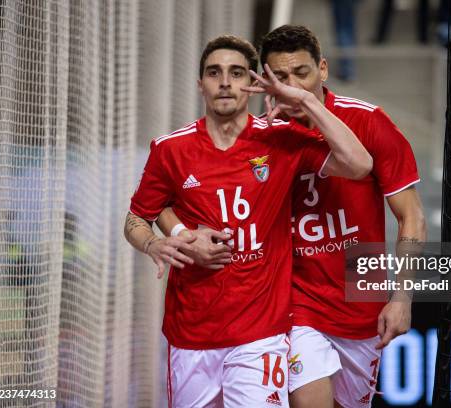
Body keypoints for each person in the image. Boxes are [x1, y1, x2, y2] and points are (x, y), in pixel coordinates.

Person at [158, 25, 426, 408]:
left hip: (359, 293)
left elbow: (412, 216)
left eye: (302, 74)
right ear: (263, 82)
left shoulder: (368, 122)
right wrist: (182, 231)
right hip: (294, 304)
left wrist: (402, 298)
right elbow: (162, 197)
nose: (292, 86)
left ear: (323, 69)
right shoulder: (259, 137)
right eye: (280, 78)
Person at [124, 35, 372, 407]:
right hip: (191, 333)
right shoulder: (170, 149)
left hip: (261, 335)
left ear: (253, 84)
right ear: (200, 84)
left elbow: (359, 164)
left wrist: (304, 98)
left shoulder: (282, 140)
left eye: (236, 73)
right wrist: (158, 243)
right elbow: (136, 218)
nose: (225, 82)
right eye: (214, 73)